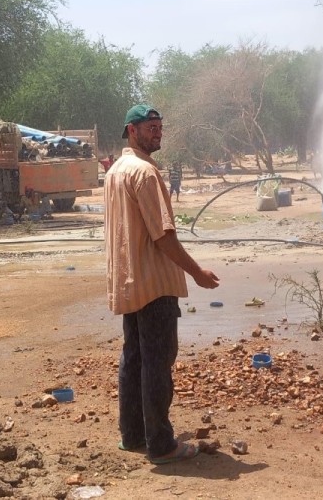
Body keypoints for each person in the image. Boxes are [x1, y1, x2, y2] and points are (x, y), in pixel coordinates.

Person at [105, 104, 219, 465]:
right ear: (131, 130)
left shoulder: (116, 170)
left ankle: (133, 435)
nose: (157, 133)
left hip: (128, 282)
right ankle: (161, 444)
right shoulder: (145, 174)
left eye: (159, 127)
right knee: (156, 362)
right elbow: (163, 237)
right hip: (154, 284)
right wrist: (197, 272)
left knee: (134, 358)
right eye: (150, 128)